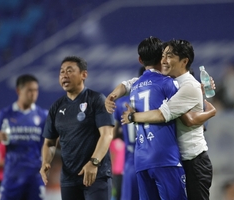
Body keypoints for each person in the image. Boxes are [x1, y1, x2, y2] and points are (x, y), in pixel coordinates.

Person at [121, 39, 215, 200]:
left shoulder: (188, 86)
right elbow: (134, 82)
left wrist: (132, 116)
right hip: (175, 159)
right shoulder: (170, 82)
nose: (163, 60)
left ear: (184, 61)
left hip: (193, 161)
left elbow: (168, 116)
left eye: (169, 56)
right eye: (162, 55)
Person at [39, 56, 114, 200]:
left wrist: (94, 163)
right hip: (69, 180)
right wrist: (46, 162)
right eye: (61, 72)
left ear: (84, 74)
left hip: (96, 176)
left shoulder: (96, 99)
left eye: (69, 71)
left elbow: (107, 135)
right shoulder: (56, 107)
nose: (64, 75)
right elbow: (49, 143)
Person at [0, 74, 48, 200]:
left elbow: (52, 143)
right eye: (29, 90)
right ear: (19, 90)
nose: (33, 94)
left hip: (35, 176)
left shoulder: (43, 116)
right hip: (12, 176)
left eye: (36, 90)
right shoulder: (4, 115)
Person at [113, 66, 145, 200]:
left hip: (130, 163)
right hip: (151, 160)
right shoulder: (155, 100)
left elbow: (113, 133)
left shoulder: (121, 104)